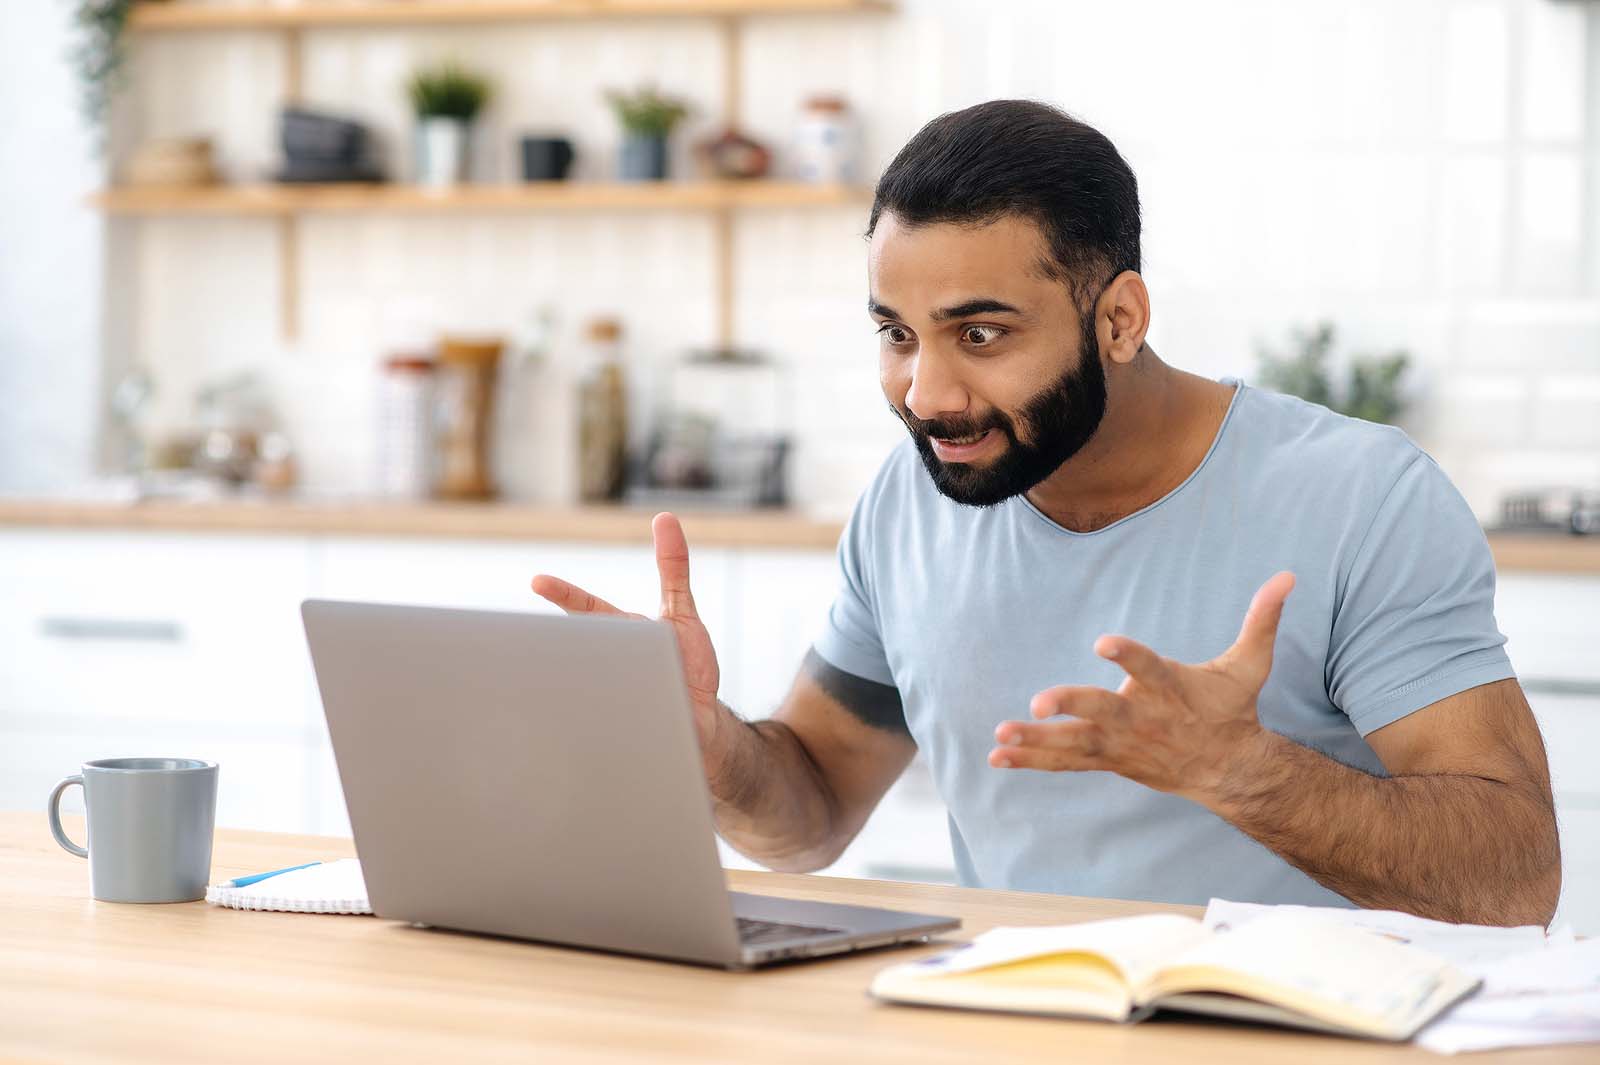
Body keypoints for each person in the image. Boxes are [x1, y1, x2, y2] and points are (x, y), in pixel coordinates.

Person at [533, 100, 1560, 926]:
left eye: (979, 336)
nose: (925, 393)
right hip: (1013, 1023)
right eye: (897, 334)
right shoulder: (910, 499)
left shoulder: (1360, 497)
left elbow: (1515, 880)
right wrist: (709, 748)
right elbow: (809, 819)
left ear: (1118, 318)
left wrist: (1240, 771)